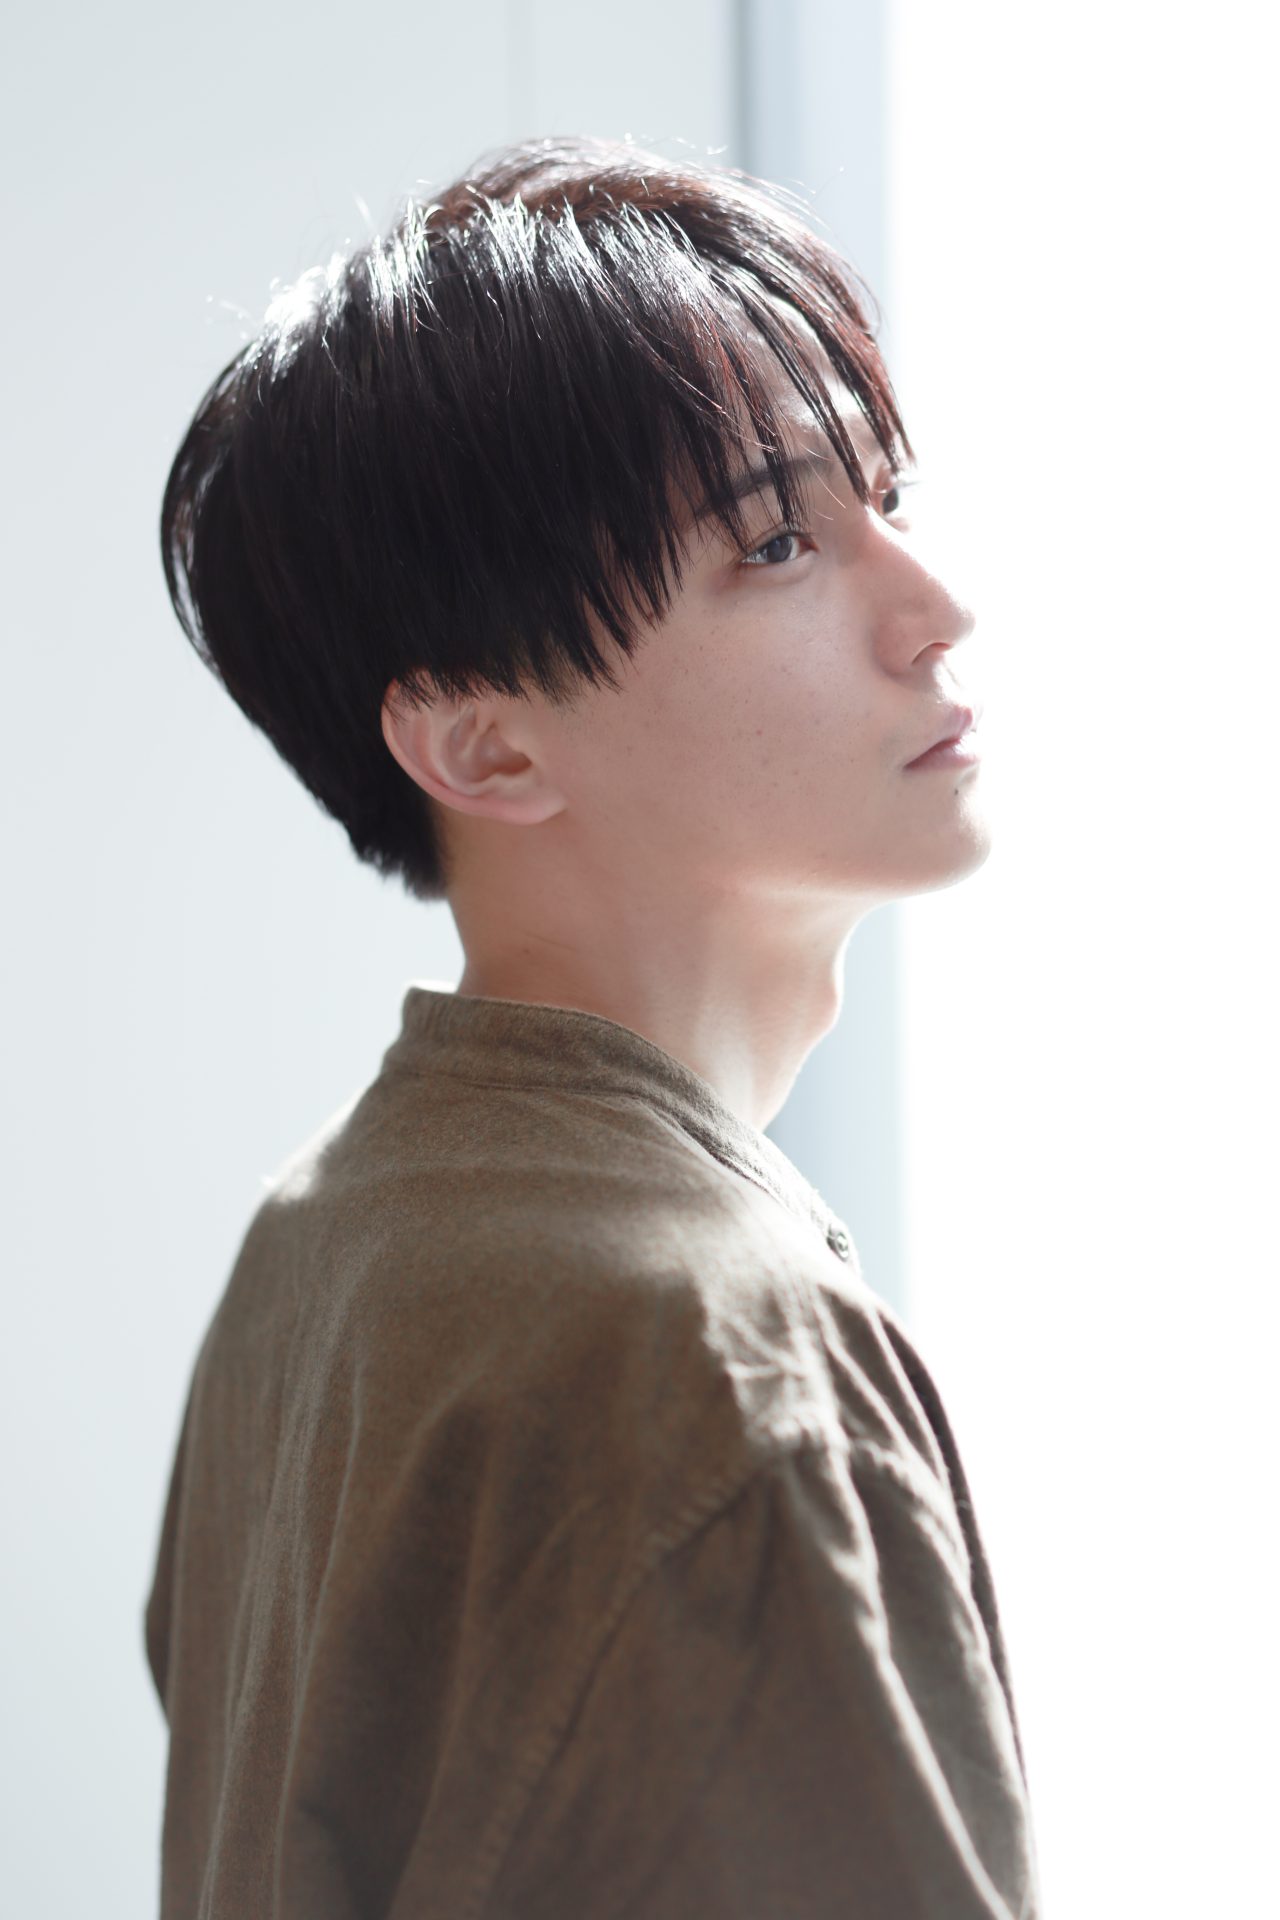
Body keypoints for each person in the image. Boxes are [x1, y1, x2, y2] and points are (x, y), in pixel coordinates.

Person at [145, 133, 1041, 1919]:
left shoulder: (327, 1241)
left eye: (888, 499)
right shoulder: (717, 1362)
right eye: (778, 542)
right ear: (484, 742)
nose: (937, 610)